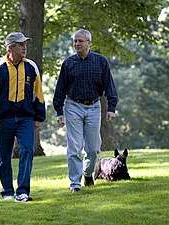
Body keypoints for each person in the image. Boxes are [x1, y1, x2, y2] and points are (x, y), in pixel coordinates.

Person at [0, 32, 46, 202]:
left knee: (27, 150)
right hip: (3, 119)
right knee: (3, 156)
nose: (24, 47)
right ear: (10, 47)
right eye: (20, 44)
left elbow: (38, 93)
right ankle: (7, 192)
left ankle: (23, 191)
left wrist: (39, 116)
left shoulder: (32, 67)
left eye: (25, 44)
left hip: (26, 118)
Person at [53, 29, 118, 193]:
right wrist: (59, 111)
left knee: (94, 148)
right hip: (73, 106)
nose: (77, 44)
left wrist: (111, 108)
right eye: (75, 41)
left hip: (94, 106)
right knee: (74, 147)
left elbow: (109, 85)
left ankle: (88, 173)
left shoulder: (100, 62)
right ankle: (75, 184)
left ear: (89, 43)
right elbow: (60, 89)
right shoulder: (68, 63)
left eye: (80, 41)